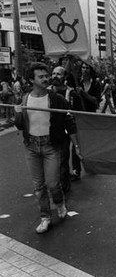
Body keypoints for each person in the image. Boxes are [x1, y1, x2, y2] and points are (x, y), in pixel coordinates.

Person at [14, 62, 81, 234]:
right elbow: (20, 125)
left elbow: (69, 121)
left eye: (46, 75)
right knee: (39, 186)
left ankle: (59, 203)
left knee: (52, 183)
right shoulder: (24, 98)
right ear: (31, 80)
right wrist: (18, 113)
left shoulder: (57, 99)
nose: (46, 78)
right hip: (31, 146)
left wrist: (77, 145)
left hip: (51, 146)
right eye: (41, 76)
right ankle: (45, 217)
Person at [50, 66, 84, 193]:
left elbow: (80, 113)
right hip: (51, 131)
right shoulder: (46, 93)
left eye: (58, 74)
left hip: (68, 130)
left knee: (64, 157)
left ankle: (64, 186)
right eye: (53, 73)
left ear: (64, 77)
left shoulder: (72, 94)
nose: (55, 76)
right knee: (54, 159)